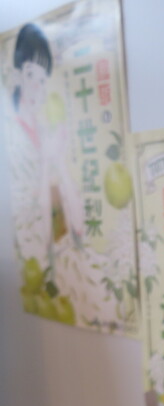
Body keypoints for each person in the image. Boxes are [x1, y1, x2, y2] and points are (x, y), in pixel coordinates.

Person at [9, 23, 82, 269]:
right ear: (17, 76)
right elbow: (36, 240)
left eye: (42, 80)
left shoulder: (42, 132)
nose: (36, 87)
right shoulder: (13, 138)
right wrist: (46, 161)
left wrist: (57, 159)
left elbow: (78, 227)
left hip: (57, 254)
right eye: (30, 75)